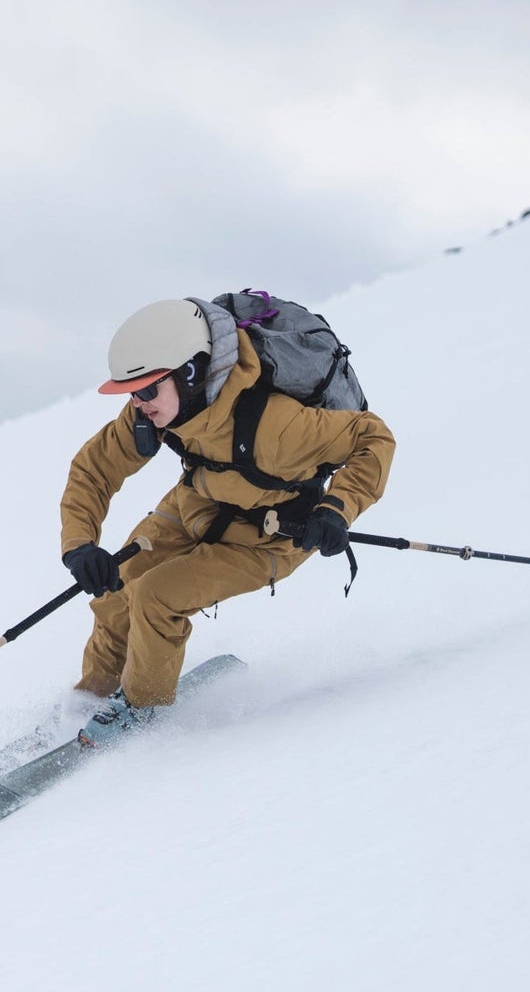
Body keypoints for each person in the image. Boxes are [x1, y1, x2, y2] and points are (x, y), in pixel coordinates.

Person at [60, 296, 395, 732]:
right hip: (198, 504)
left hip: (268, 536)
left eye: (146, 390)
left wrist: (337, 508)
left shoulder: (278, 426)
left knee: (156, 596)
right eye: (131, 392)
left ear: (191, 373)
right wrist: (80, 545)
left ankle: (143, 711)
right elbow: (94, 469)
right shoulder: (158, 409)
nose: (138, 404)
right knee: (116, 590)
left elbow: (373, 440)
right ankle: (91, 699)